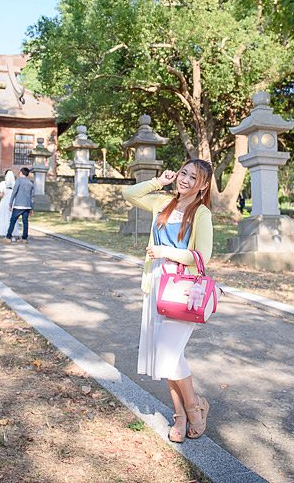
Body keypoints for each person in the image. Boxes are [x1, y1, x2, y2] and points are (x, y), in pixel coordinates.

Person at [122, 159, 214, 443]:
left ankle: (194, 407)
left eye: (193, 176)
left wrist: (165, 251)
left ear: (204, 185)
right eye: (183, 173)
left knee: (170, 354)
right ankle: (181, 414)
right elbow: (130, 195)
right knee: (165, 358)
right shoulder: (163, 202)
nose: (185, 179)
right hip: (156, 285)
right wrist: (158, 182)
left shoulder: (201, 213)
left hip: (182, 289)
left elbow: (202, 256)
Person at [5, 167, 34, 244]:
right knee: (25, 222)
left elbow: (14, 192)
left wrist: (10, 203)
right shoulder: (30, 183)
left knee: (13, 221)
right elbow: (31, 197)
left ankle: (8, 237)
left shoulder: (18, 181)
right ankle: (24, 238)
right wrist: (31, 208)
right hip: (27, 206)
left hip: (18, 205)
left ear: (21, 173)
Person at [0, 170, 16, 240]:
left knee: (2, 217)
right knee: (11, 218)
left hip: (4, 202)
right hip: (12, 202)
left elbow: (2, 194)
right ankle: (12, 235)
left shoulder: (3, 183)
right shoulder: (15, 184)